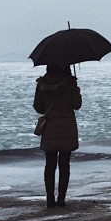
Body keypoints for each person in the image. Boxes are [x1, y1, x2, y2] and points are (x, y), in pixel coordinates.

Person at [33, 64, 82, 208]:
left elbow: (38, 107)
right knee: (64, 165)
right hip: (67, 129)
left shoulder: (42, 84)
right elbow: (77, 105)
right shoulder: (70, 83)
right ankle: (61, 199)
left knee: (50, 165)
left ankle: (49, 199)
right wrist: (76, 89)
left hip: (50, 129)